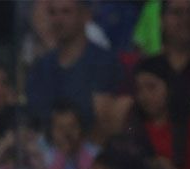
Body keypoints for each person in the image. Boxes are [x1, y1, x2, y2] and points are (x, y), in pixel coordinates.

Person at [24, 0, 124, 136]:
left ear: (85, 16)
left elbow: (103, 121)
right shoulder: (40, 68)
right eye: (53, 13)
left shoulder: (104, 62)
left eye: (66, 12)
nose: (58, 19)